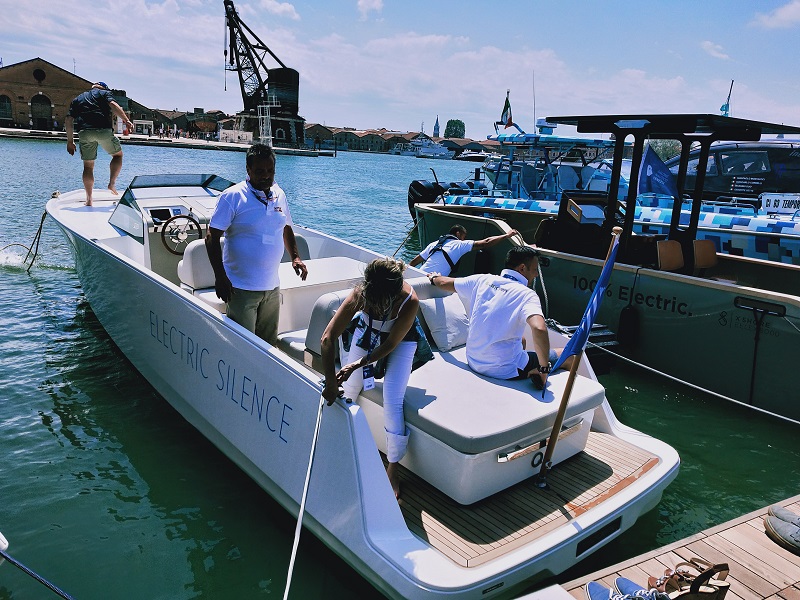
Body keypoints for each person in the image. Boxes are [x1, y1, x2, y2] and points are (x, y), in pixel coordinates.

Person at [320, 258, 420, 499]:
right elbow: (327, 338)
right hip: (367, 333)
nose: (376, 306)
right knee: (349, 387)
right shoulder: (360, 292)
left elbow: (391, 343)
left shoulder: (410, 300)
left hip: (401, 341)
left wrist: (358, 363)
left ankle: (392, 469)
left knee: (393, 400)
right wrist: (331, 382)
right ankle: (334, 443)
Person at [427, 245, 572, 389]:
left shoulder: (483, 280)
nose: (536, 275)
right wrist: (544, 368)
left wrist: (433, 278)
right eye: (534, 270)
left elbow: (444, 282)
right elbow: (539, 329)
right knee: (571, 355)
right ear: (522, 268)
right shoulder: (526, 295)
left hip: (474, 361)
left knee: (521, 340)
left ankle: (523, 363)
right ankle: (532, 371)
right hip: (503, 371)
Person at [205, 142, 308, 345]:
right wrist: (220, 277)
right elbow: (211, 236)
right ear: (248, 170)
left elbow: (286, 227)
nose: (266, 176)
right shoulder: (233, 196)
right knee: (243, 346)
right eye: (260, 171)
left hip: (271, 288)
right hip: (241, 288)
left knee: (268, 346)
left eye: (270, 171)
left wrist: (295, 256)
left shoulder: (280, 194)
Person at [65, 82, 134, 206]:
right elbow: (113, 105)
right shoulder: (105, 93)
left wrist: (70, 141)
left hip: (85, 132)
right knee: (117, 155)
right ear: (103, 88)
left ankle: (89, 199)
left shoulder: (78, 99)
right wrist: (127, 120)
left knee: (88, 166)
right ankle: (112, 183)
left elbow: (68, 119)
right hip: (103, 130)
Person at [409, 224, 520, 275]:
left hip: (419, 274)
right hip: (431, 280)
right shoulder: (459, 244)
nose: (464, 239)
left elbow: (414, 261)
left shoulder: (435, 244)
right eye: (464, 236)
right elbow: (485, 243)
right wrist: (507, 235)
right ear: (458, 233)